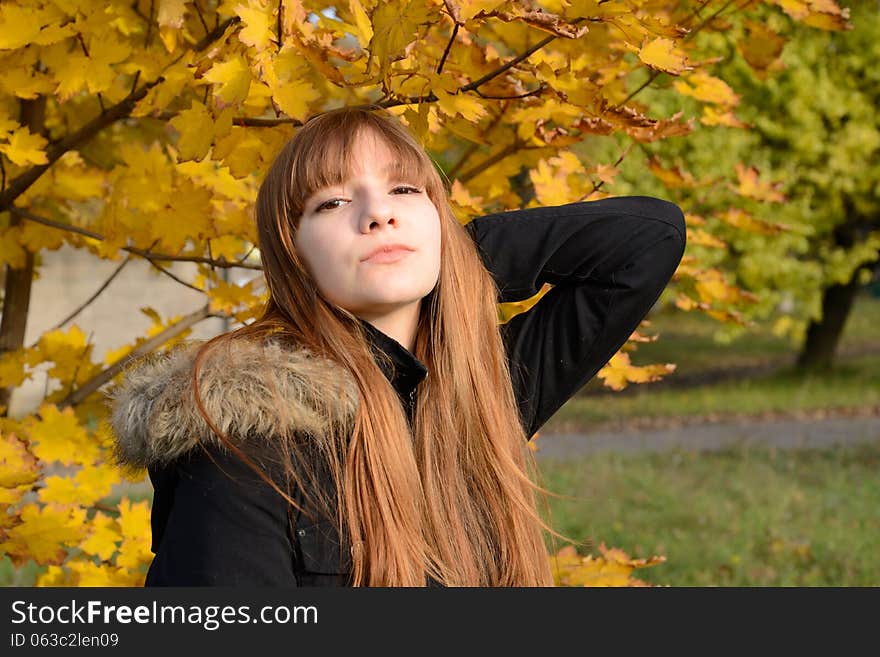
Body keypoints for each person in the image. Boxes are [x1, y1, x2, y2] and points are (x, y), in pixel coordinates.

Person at [108, 105, 687, 587]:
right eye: (331, 203)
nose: (379, 213)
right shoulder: (248, 442)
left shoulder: (480, 389)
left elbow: (646, 240)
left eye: (405, 190)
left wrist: (453, 259)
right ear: (294, 257)